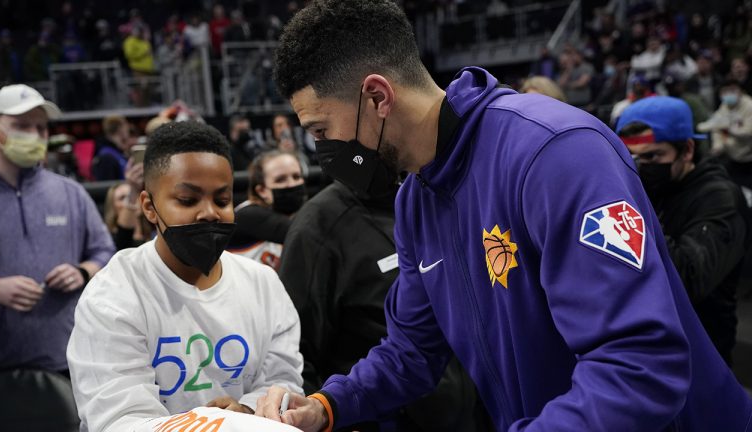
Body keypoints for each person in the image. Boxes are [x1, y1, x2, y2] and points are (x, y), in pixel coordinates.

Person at [254, 1, 752, 431]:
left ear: (378, 96)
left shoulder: (556, 153)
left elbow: (640, 366)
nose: (322, 151)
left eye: (321, 130)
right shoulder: (416, 200)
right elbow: (411, 353)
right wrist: (326, 405)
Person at [66, 121, 304, 432]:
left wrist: (247, 409)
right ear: (150, 207)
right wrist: (219, 423)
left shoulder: (263, 283)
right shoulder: (113, 294)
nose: (209, 213)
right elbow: (120, 420)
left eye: (222, 200)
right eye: (188, 200)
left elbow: (283, 383)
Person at [280, 179, 492, 431]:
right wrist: (326, 409)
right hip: (381, 415)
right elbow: (297, 357)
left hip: (470, 413)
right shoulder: (316, 226)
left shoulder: (431, 196)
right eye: (318, 135)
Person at [0, 84, 115, 430]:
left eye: (41, 127)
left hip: (68, 363)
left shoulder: (70, 193)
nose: (35, 135)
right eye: (23, 126)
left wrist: (82, 271)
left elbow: (105, 251)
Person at [617, 96, 750, 365]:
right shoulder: (653, 188)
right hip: (651, 345)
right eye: (632, 158)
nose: (642, 167)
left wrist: (634, 208)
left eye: (653, 156)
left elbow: (690, 278)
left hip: (702, 353)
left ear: (687, 150)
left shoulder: (719, 197)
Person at [229, 150, 306, 269]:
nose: (291, 184)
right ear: (262, 191)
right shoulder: (248, 215)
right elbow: (307, 233)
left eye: (296, 177)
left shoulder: (294, 215)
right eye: (280, 180)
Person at [698, 79, 752, 191]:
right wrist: (717, 146)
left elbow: (748, 132)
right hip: (732, 157)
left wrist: (729, 128)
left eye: (732, 90)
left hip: (748, 158)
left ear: (740, 91)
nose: (729, 94)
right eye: (725, 92)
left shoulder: (749, 106)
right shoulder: (724, 106)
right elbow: (717, 128)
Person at [102, 160, 153, 250]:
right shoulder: (109, 239)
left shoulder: (154, 229)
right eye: (122, 198)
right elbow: (124, 236)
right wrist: (133, 190)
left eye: (135, 195)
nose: (131, 201)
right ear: (113, 207)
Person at [92, 115, 132, 181]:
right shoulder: (106, 157)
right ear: (121, 131)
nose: (128, 138)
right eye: (128, 132)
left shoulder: (118, 154)